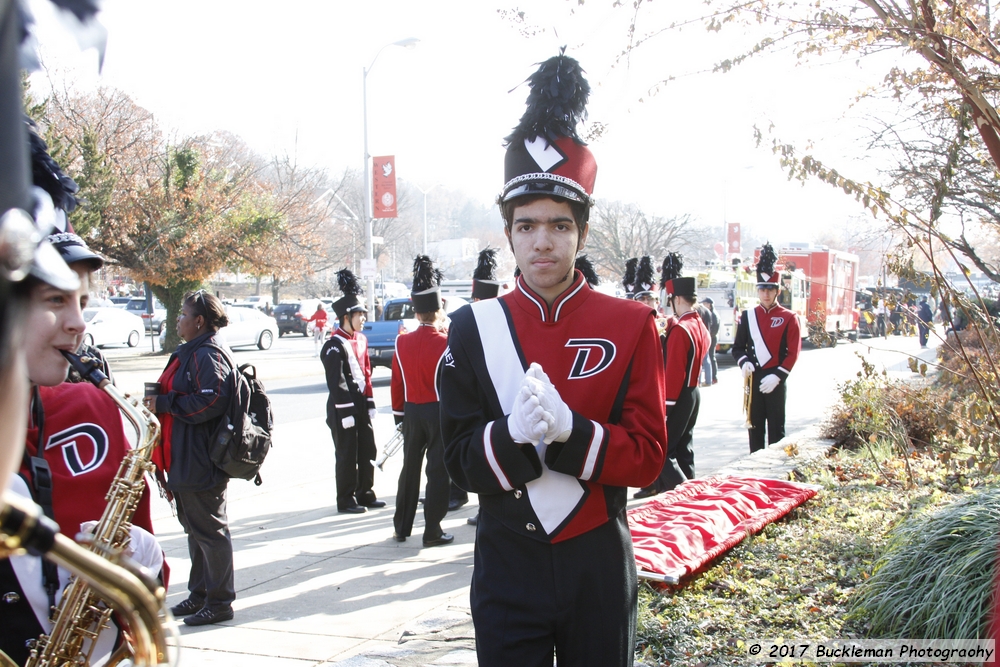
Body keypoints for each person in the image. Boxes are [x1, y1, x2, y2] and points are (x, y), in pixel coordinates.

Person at [440, 53, 666, 667]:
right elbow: (457, 462)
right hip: (507, 560)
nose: (544, 241)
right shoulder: (470, 328)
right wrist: (507, 438)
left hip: (597, 558)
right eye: (528, 224)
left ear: (583, 234)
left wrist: (575, 435)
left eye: (560, 226)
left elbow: (647, 458)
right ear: (508, 233)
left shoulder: (632, 325)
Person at [144, 289, 236, 626]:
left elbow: (212, 401)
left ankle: (220, 601)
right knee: (195, 531)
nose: (178, 320)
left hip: (200, 459)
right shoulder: (190, 351)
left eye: (183, 315)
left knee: (210, 532)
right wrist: (156, 399)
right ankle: (200, 595)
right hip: (181, 456)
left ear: (200, 321)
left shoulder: (208, 354)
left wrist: (167, 404)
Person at [635, 253, 710, 498]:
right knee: (684, 449)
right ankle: (692, 490)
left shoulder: (680, 329)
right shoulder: (699, 323)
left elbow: (674, 371)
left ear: (677, 299)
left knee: (664, 451)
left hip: (679, 395)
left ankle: (685, 496)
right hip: (694, 392)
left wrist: (666, 406)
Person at [390, 256, 452, 547]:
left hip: (411, 411)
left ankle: (401, 526)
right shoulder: (446, 341)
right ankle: (432, 530)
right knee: (437, 472)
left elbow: (396, 382)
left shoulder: (402, 341)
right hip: (438, 412)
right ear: (438, 310)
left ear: (416, 313)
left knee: (409, 470)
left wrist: (398, 416)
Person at [321, 269, 384, 514]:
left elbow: (366, 372)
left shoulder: (361, 340)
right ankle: (345, 499)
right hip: (342, 407)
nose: (363, 320)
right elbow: (336, 382)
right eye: (359, 315)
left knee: (368, 448)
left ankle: (365, 492)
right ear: (346, 316)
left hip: (360, 402)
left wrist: (369, 402)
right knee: (347, 453)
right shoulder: (333, 345)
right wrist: (346, 411)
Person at [732, 243, 802, 453]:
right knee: (754, 430)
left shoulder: (789, 317)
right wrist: (743, 363)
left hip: (776, 379)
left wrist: (778, 376)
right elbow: (738, 348)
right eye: (762, 289)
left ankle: (773, 473)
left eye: (770, 289)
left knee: (776, 432)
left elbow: (793, 352)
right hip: (754, 379)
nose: (765, 294)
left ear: (777, 291)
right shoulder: (748, 316)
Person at [700, 297, 720, 385]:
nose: (703, 305)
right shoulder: (711, 313)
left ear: (709, 304)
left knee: (710, 358)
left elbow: (714, 329)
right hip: (711, 337)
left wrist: (708, 338)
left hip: (712, 338)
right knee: (711, 358)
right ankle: (712, 378)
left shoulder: (713, 314)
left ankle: (713, 378)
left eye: (704, 304)